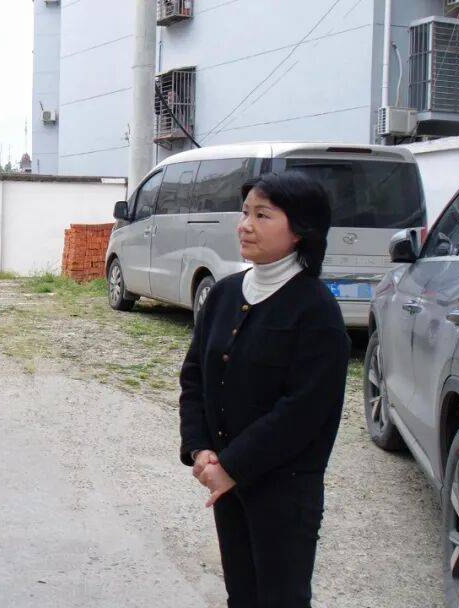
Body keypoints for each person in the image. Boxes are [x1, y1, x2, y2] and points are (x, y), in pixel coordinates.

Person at [178, 170, 351, 608]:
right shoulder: (224, 294)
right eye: (244, 213)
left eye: (262, 215)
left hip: (283, 490)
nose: (246, 225)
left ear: (300, 231)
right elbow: (195, 377)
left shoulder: (316, 310)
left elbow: (303, 411)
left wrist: (232, 465)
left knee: (281, 598)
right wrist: (201, 449)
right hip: (226, 481)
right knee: (242, 594)